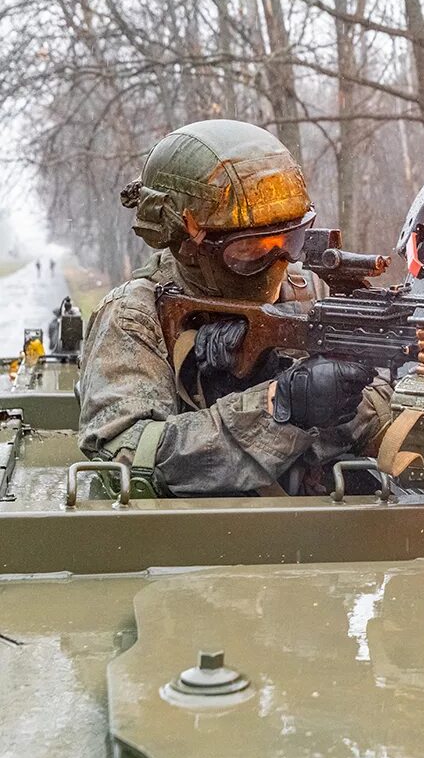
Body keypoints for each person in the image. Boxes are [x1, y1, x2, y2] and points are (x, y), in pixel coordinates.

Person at [77, 119, 392, 497]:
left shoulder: (305, 290)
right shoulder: (135, 316)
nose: (279, 262)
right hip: (193, 543)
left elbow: (382, 400)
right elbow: (126, 458)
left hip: (313, 531)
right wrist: (278, 406)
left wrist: (339, 401)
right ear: (189, 244)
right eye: (249, 249)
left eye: (290, 239)